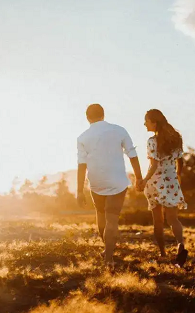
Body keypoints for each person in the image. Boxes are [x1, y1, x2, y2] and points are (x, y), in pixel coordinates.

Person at [76, 104, 143, 267]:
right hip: (117, 181)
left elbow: (81, 165)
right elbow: (132, 155)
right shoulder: (120, 130)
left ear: (87, 117)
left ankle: (107, 251)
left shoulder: (82, 137)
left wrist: (79, 190)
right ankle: (108, 259)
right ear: (103, 115)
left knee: (100, 215)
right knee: (112, 219)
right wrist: (139, 178)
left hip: (96, 182)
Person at [138, 109, 188, 266]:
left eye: (146, 120)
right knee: (173, 219)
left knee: (158, 221)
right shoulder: (176, 139)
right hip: (171, 182)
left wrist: (144, 180)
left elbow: (153, 165)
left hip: (155, 183)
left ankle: (163, 254)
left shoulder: (152, 141)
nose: (144, 124)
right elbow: (180, 161)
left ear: (154, 122)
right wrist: (177, 177)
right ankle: (180, 245)